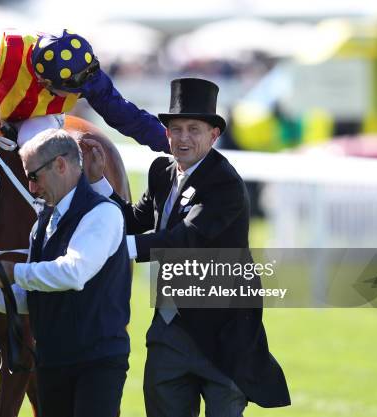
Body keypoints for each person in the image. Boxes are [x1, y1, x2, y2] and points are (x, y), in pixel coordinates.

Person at [83, 78, 291, 417]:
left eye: (194, 129)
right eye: (176, 128)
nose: (183, 138)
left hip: (225, 335)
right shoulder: (161, 172)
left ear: (213, 135)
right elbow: (133, 221)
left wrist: (113, 251)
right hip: (169, 331)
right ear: (165, 133)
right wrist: (98, 182)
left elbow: (185, 240)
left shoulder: (225, 182)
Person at [0, 129, 132, 417]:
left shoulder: (103, 214)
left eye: (34, 177)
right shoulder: (42, 223)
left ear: (61, 166)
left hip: (97, 362)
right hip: (51, 361)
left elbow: (73, 273)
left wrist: (15, 272)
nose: (32, 188)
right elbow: (34, 298)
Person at [0, 29, 168, 152]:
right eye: (68, 90)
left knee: (36, 149)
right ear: (42, 80)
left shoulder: (87, 76)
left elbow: (127, 117)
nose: (79, 95)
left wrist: (171, 143)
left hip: (39, 119)